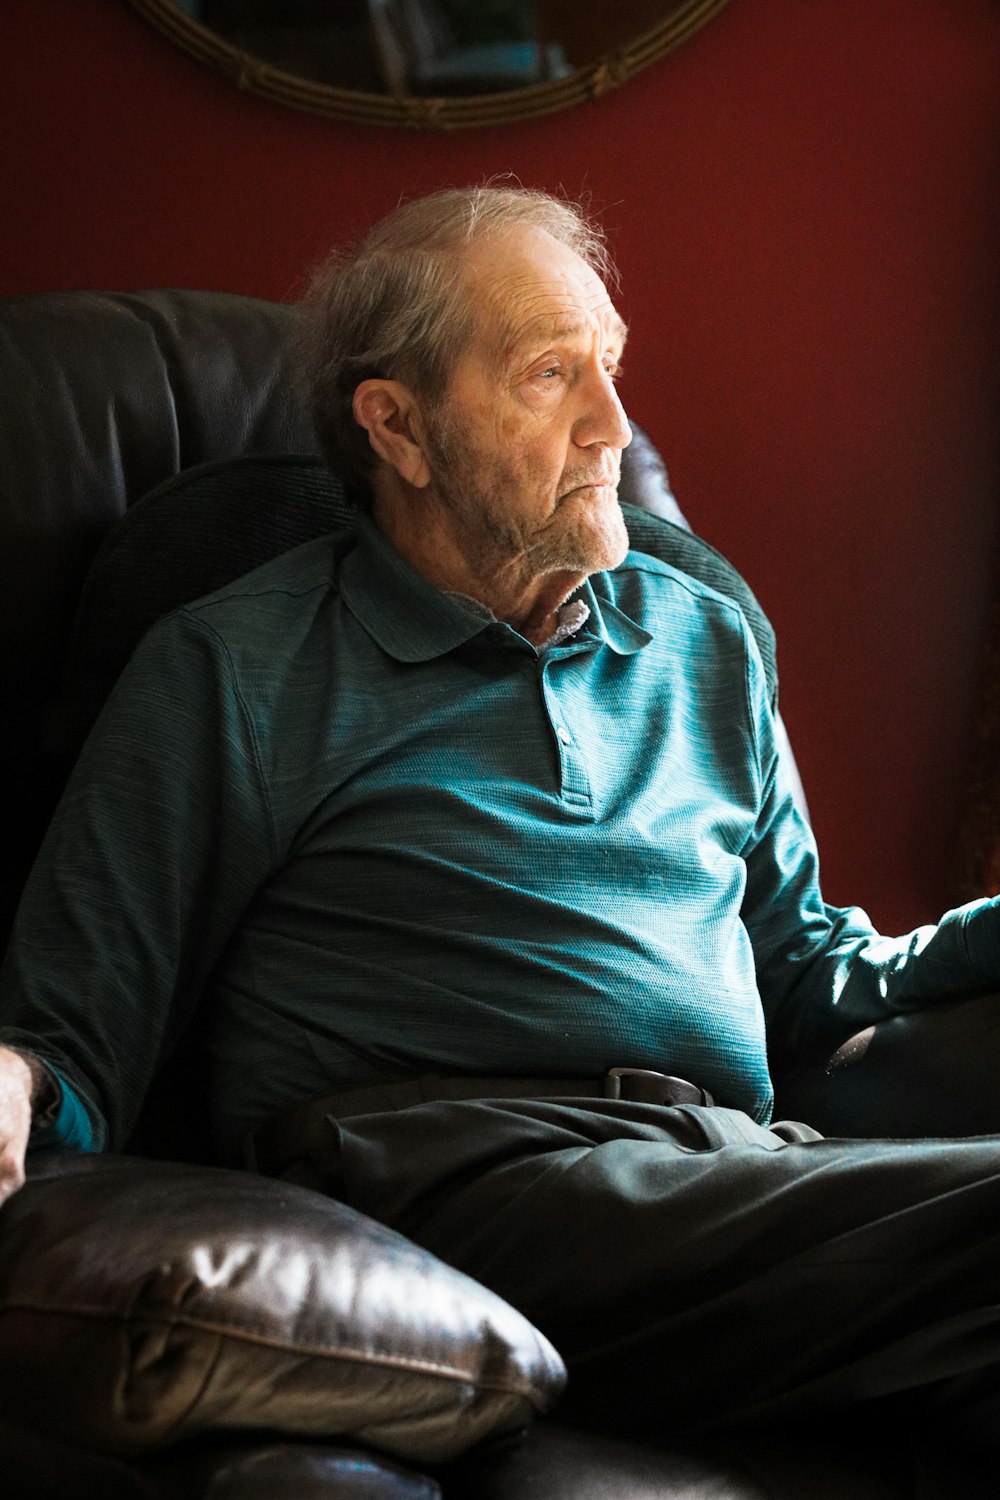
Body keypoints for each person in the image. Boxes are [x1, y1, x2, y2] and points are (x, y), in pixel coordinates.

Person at [2, 185, 1000, 1455]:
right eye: (548, 374)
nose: (614, 427)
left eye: (612, 368)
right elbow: (72, 1030)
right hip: (457, 1184)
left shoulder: (702, 641)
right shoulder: (234, 669)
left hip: (726, 1175)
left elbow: (808, 968)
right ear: (399, 429)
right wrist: (16, 1082)